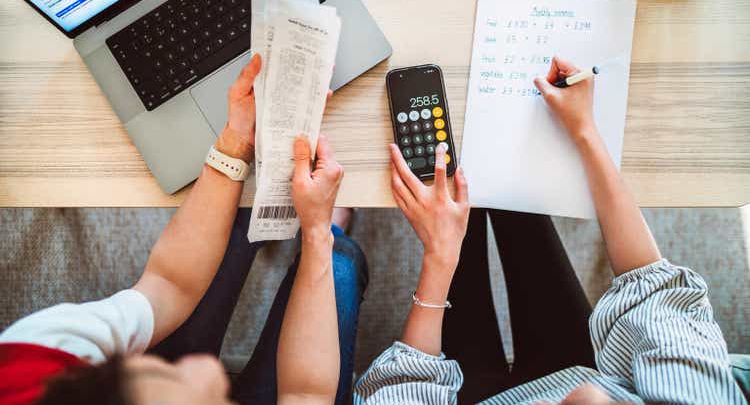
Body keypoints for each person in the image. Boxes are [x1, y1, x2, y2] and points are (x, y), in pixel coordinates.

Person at [354, 57, 746, 404]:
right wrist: (584, 131)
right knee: (510, 189)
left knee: (460, 199)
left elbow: (398, 390)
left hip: (469, 395)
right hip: (572, 364)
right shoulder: (697, 394)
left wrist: (440, 258)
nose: (564, 401)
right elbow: (652, 290)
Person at [0, 54, 369, 405]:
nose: (209, 368)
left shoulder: (35, 357)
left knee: (237, 227)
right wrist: (318, 230)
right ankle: (335, 229)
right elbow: (305, 396)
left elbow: (168, 284)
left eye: (162, 373)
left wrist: (236, 140)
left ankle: (260, 221)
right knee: (341, 263)